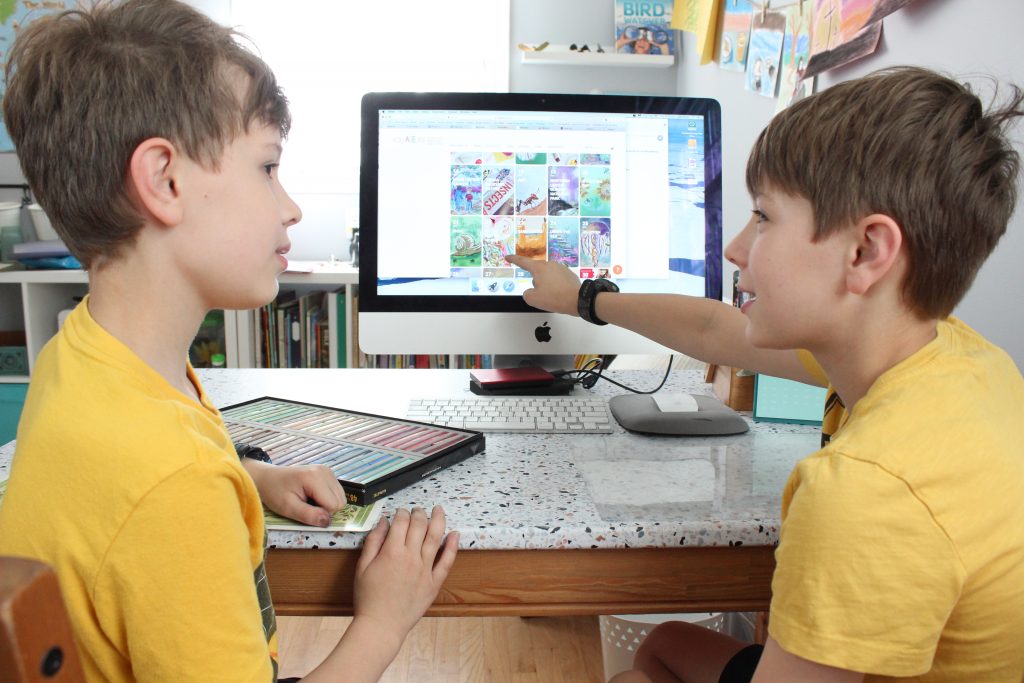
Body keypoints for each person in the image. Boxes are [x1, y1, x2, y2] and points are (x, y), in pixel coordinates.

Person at [508, 66, 1024, 682]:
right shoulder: (955, 354)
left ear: (865, 252)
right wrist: (583, 299)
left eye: (765, 217)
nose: (735, 248)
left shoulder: (866, 492)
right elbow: (711, 330)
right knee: (665, 645)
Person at [0, 2, 457, 681]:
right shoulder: (175, 487)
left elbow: (124, 487)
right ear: (165, 180)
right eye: (267, 167)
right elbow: (165, 491)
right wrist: (383, 622)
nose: (292, 206)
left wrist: (251, 478)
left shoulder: (84, 354)